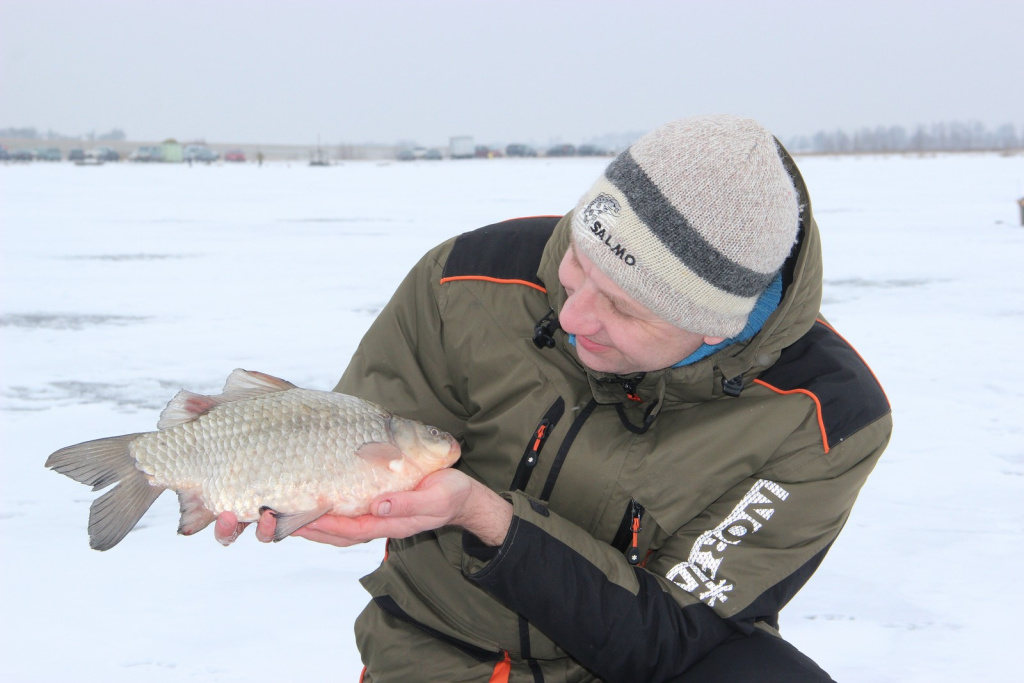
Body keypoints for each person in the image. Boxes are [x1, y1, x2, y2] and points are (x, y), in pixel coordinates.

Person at [215, 115, 892, 681]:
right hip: (435, 649)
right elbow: (356, 441)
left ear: (715, 326)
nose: (571, 317)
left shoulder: (824, 416)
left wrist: (489, 517)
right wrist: (331, 495)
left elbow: (670, 631)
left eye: (622, 309)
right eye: (577, 265)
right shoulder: (468, 279)